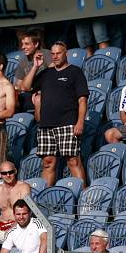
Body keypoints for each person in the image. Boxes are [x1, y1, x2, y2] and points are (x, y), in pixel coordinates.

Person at [23, 41, 89, 185]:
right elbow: (26, 86)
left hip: (68, 123)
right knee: (48, 163)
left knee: (73, 161)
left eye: (58, 53)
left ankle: (83, 199)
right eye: (52, 54)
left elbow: (82, 101)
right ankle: (46, 198)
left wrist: (80, 122)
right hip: (46, 125)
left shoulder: (75, 72)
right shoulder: (46, 73)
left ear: (66, 54)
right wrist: (35, 66)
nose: (55, 56)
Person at [13, 31, 50, 111]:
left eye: (26, 44)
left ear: (36, 44)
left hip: (47, 92)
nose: (23, 47)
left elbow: (55, 75)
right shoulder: (23, 60)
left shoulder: (46, 54)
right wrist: (34, 67)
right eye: (22, 44)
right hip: (29, 95)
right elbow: (21, 87)